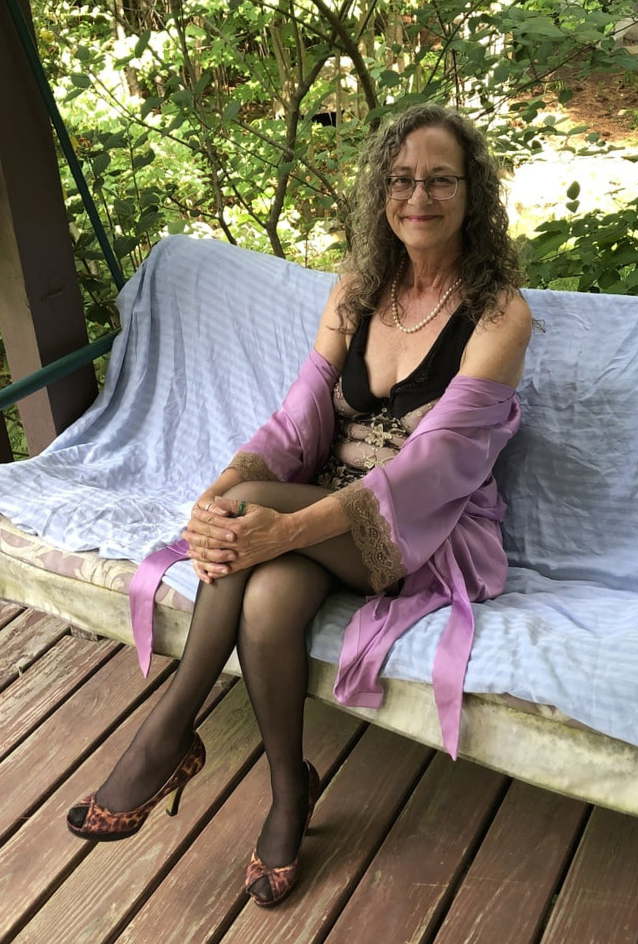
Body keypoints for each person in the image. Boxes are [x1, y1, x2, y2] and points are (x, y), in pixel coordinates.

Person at [65, 103, 533, 906]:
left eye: (441, 180)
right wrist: (213, 504)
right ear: (381, 191)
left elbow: (435, 469)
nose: (418, 197)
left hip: (424, 531)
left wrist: (273, 521)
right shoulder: (357, 291)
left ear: (473, 193)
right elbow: (299, 420)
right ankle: (291, 789)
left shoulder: (499, 315)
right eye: (401, 179)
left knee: (252, 514)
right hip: (320, 514)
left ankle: (167, 733)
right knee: (268, 596)